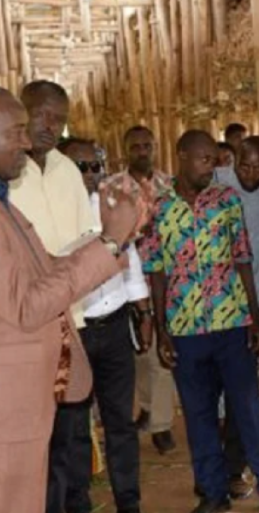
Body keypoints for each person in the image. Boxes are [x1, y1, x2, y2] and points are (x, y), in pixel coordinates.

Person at [0, 83, 138, 513]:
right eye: (14, 131)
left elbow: (40, 269)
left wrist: (112, 242)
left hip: (9, 397)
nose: (25, 141)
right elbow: (27, 304)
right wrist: (108, 244)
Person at [141, 130, 259, 513]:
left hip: (232, 322)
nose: (212, 167)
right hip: (184, 328)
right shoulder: (159, 208)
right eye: (204, 159)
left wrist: (254, 320)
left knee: (248, 409)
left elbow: (243, 258)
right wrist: (162, 331)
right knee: (199, 416)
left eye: (214, 160)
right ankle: (212, 493)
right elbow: (155, 272)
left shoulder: (226, 200)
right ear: (182, 155)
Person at [6, 80, 104, 513]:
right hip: (23, 326)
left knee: (72, 432)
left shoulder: (67, 171)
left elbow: (86, 238)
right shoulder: (4, 171)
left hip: (70, 322)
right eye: (42, 115)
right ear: (20, 112)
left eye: (59, 119)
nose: (50, 126)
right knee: (34, 439)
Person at [59, 138, 151, 513]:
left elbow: (131, 260)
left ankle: (129, 501)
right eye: (79, 167)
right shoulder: (54, 212)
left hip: (114, 326)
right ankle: (78, 502)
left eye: (94, 166)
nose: (88, 174)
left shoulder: (111, 206)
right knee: (76, 425)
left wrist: (143, 312)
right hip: (75, 330)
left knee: (121, 423)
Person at [213, 136, 259, 499]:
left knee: (243, 392)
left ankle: (233, 468)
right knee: (210, 391)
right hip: (209, 302)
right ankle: (210, 470)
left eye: (258, 168)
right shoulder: (216, 180)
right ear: (233, 161)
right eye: (244, 166)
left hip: (251, 304)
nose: (250, 174)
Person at [107, 125, 178, 455]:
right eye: (135, 146)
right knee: (138, 352)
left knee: (162, 351)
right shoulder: (111, 188)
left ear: (155, 147)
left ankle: (161, 424)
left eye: (147, 145)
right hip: (125, 281)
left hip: (163, 280)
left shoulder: (170, 186)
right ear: (125, 150)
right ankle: (148, 408)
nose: (142, 151)